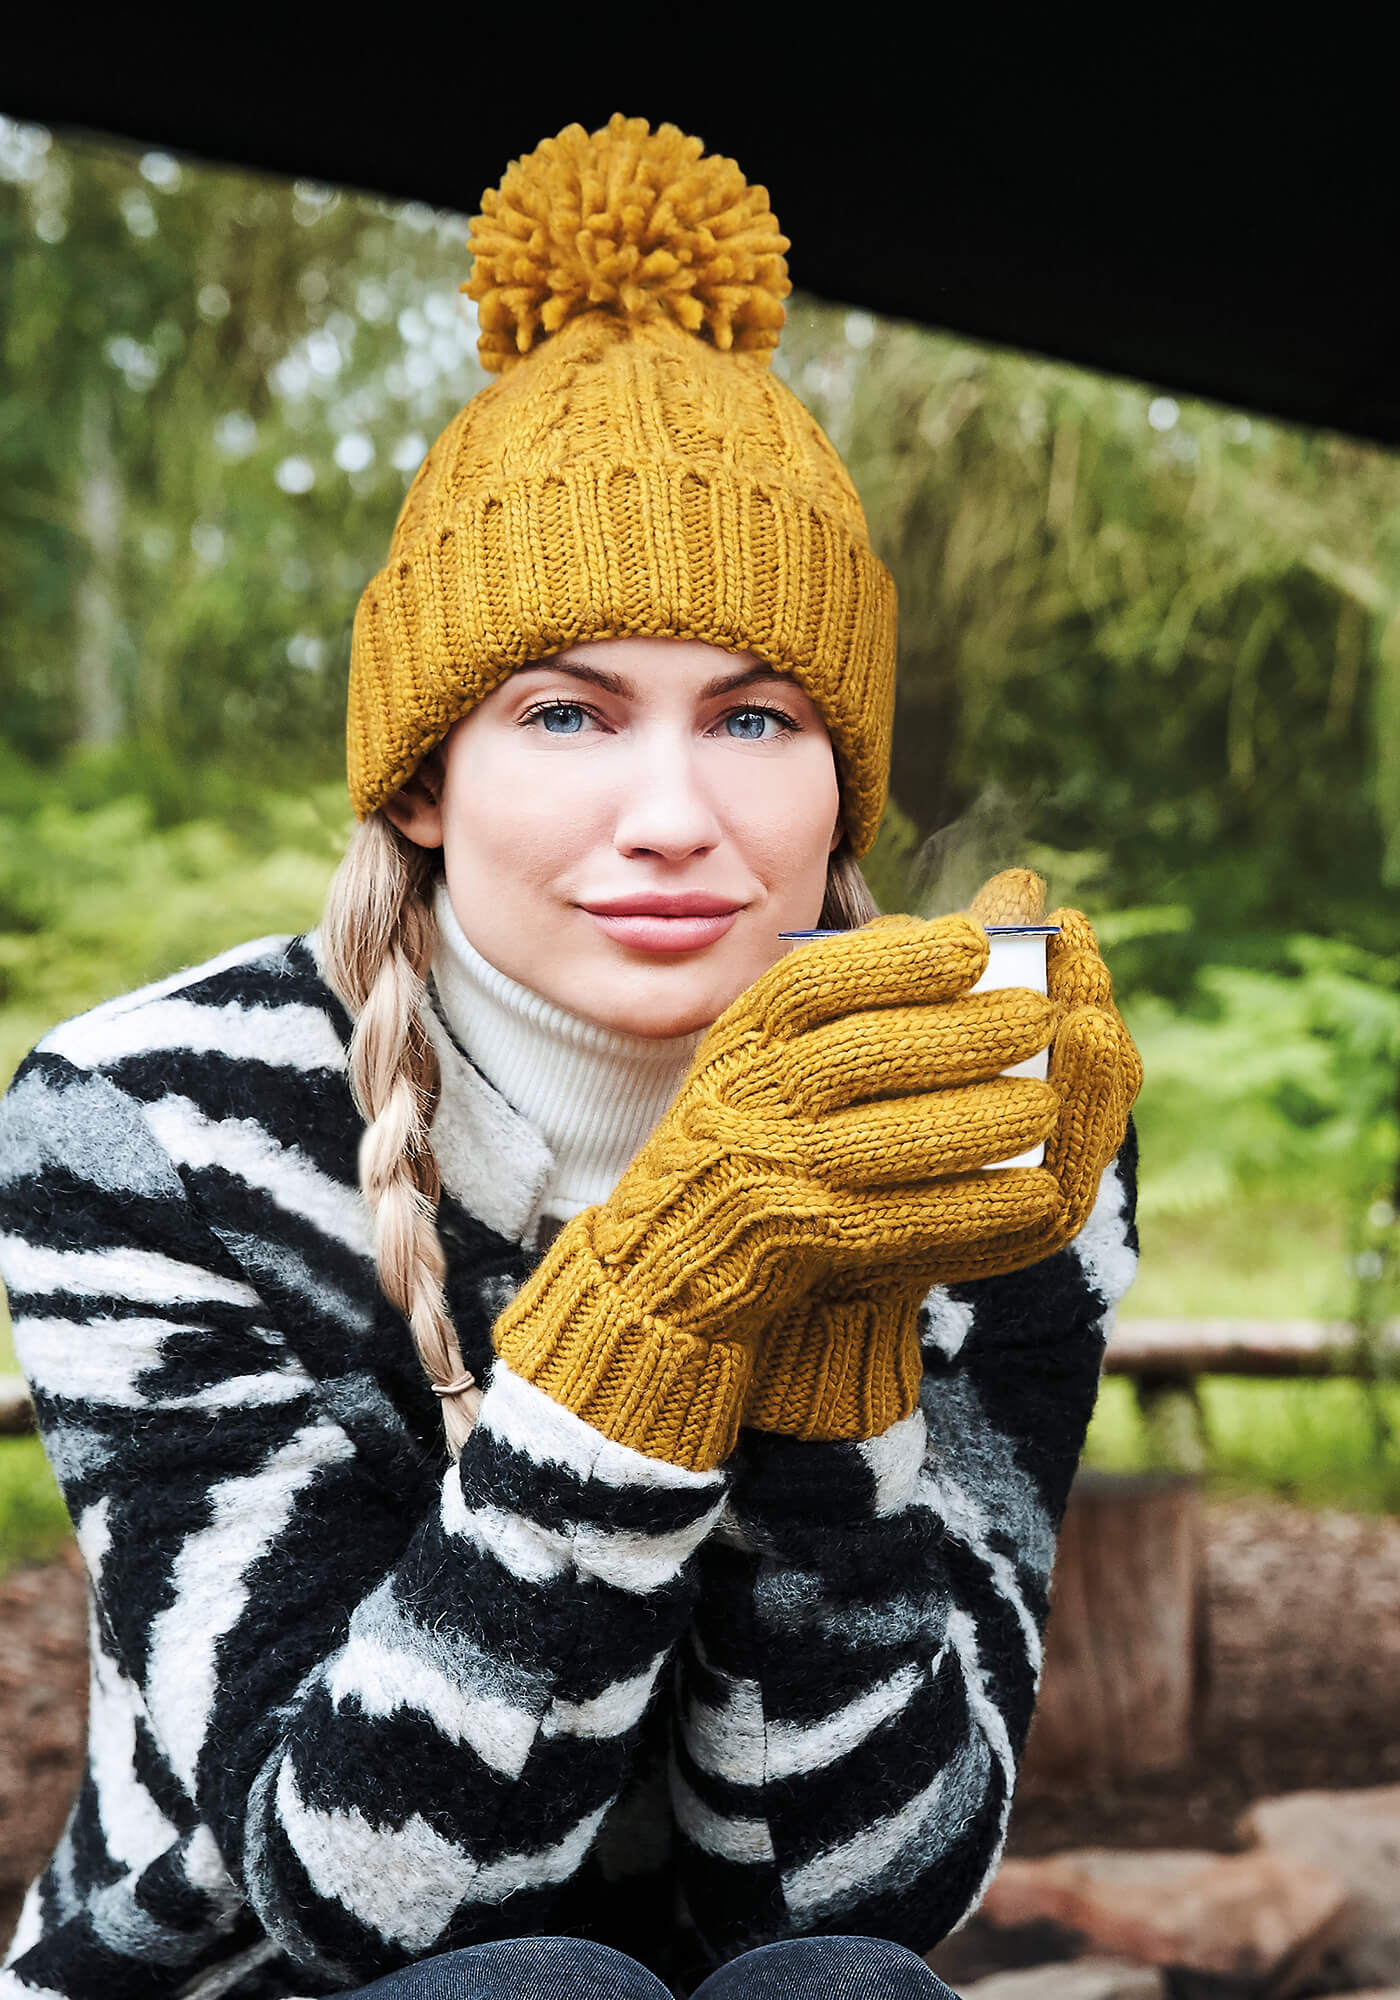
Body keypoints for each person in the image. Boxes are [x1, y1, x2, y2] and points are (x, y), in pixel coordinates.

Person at [0, 116, 1142, 2000]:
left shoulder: (994, 1126)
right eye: (568, 710)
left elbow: (850, 1897)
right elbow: (355, 1904)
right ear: (428, 776)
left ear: (842, 777)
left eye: (756, 715)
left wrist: (839, 1309)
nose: (676, 813)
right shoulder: (149, 1125)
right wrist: (671, 1292)